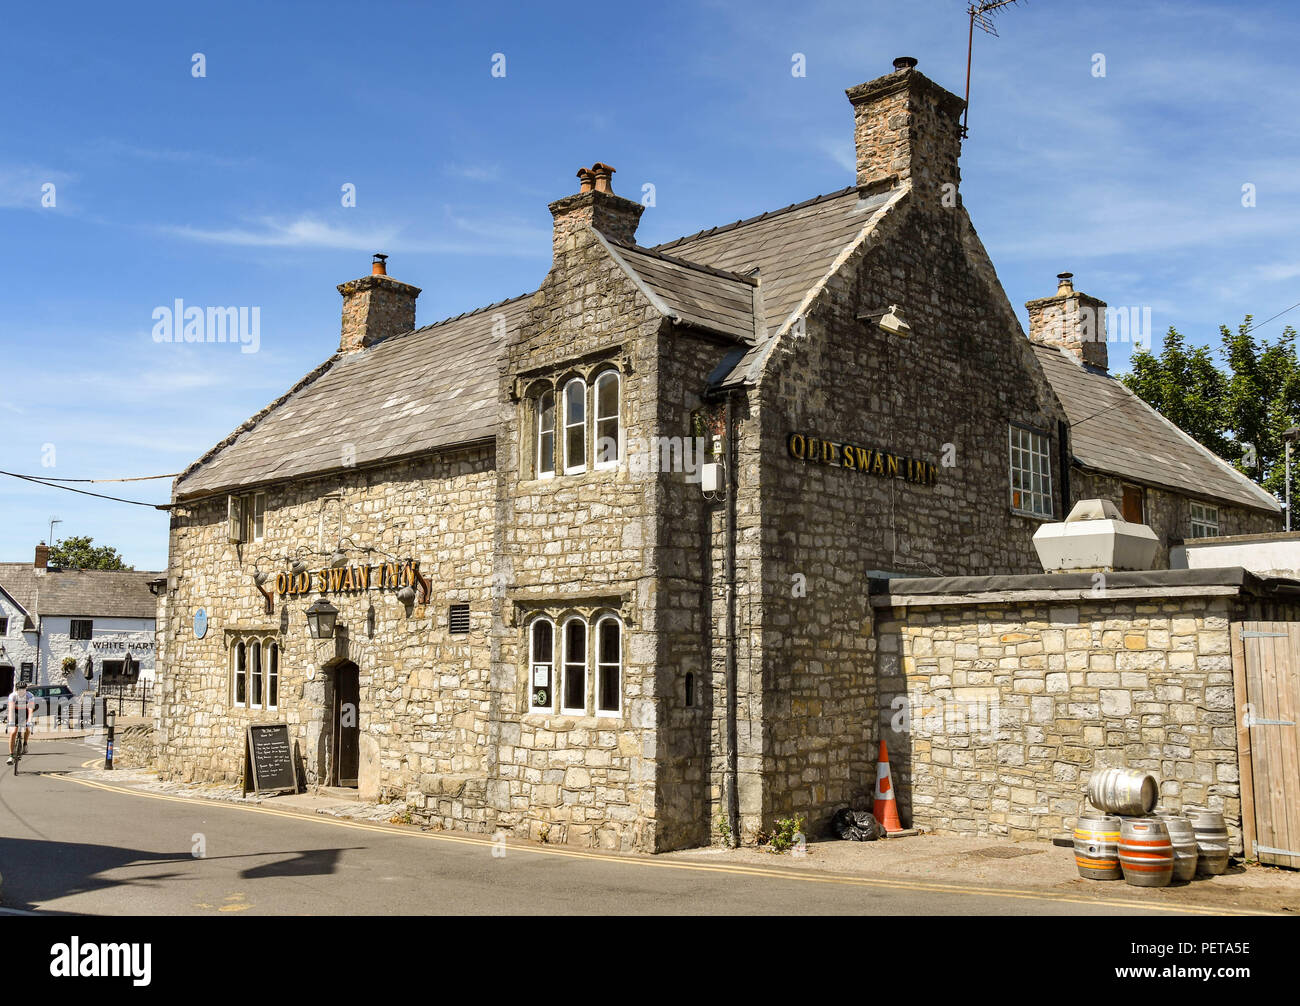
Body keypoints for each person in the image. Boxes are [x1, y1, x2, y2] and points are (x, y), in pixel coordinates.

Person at [7, 681, 38, 764]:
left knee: (28, 728)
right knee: (13, 732)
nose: (21, 691)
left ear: (26, 689)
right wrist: (11, 721)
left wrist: (29, 720)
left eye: (23, 689)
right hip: (16, 712)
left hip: (25, 712)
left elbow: (30, 710)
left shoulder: (30, 696)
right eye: (20, 689)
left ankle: (25, 743)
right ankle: (11, 756)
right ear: (16, 689)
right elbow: (11, 710)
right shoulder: (12, 696)